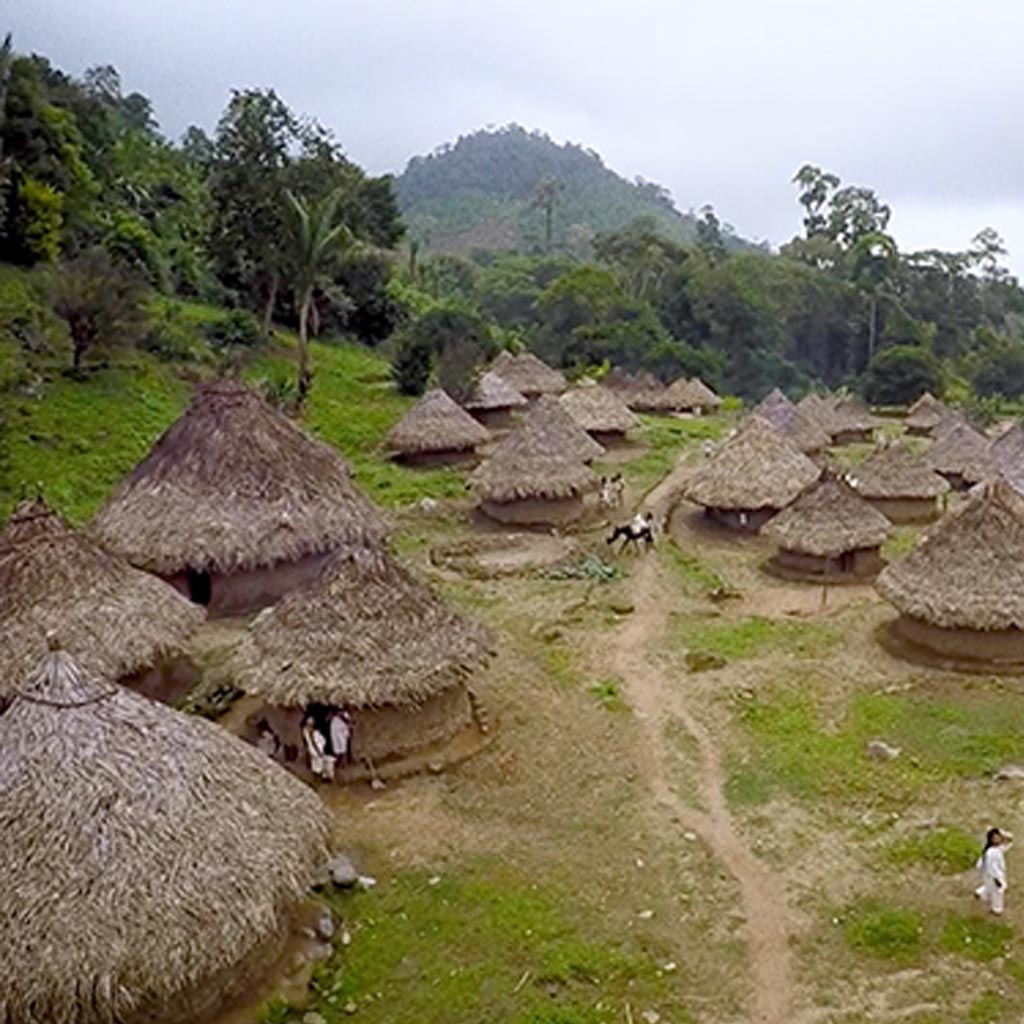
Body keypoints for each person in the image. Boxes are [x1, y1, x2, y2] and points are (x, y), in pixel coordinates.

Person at [976, 827, 1008, 915]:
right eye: (995, 838)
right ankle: (996, 909)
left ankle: (981, 893)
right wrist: (997, 879)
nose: (998, 839)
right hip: (993, 876)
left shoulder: (998, 848)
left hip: (992, 875)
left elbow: (1009, 841)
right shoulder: (991, 853)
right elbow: (991, 868)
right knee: (997, 892)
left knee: (989, 887)